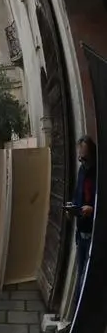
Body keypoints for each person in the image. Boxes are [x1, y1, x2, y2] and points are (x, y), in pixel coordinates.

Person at [68, 136, 97, 318]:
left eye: (85, 158)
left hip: (95, 234)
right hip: (82, 232)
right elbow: (78, 193)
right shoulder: (81, 171)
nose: (82, 161)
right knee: (81, 275)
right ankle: (76, 320)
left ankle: (81, 321)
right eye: (80, 157)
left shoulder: (98, 173)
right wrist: (72, 207)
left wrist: (93, 209)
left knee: (85, 280)